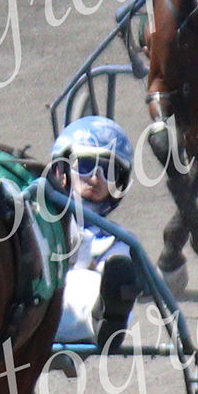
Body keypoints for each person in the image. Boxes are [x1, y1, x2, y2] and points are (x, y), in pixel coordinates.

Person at [45, 114, 160, 358]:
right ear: (61, 170)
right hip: (27, 297)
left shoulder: (118, 241)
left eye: (107, 170)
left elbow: (151, 283)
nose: (95, 178)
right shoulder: (38, 214)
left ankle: (104, 315)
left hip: (72, 310)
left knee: (103, 279)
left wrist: (138, 280)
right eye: (85, 165)